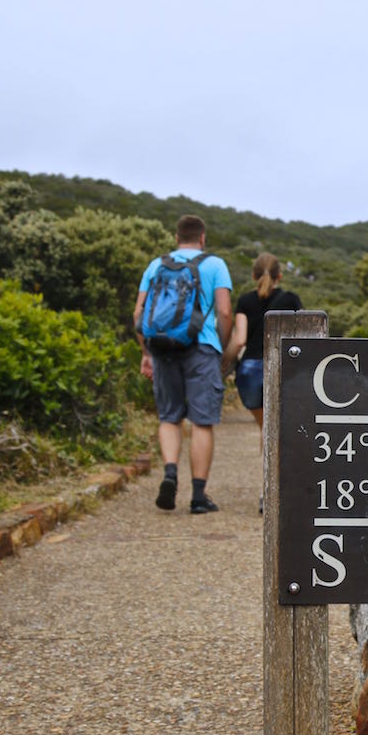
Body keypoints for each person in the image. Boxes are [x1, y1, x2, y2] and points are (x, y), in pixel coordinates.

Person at [133, 214, 233, 514]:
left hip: (162, 347)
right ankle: (198, 496)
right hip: (201, 348)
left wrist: (146, 353)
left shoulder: (156, 265)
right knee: (202, 420)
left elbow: (138, 314)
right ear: (202, 238)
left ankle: (170, 472)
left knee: (169, 416)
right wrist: (221, 347)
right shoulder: (215, 264)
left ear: (177, 238)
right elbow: (225, 312)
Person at [222, 253, 303, 431]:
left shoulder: (244, 301)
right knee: (280, 430)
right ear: (279, 276)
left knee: (266, 429)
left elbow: (240, 340)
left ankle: (266, 459)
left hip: (250, 370)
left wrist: (224, 362)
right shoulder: (291, 299)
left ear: (253, 275)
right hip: (283, 368)